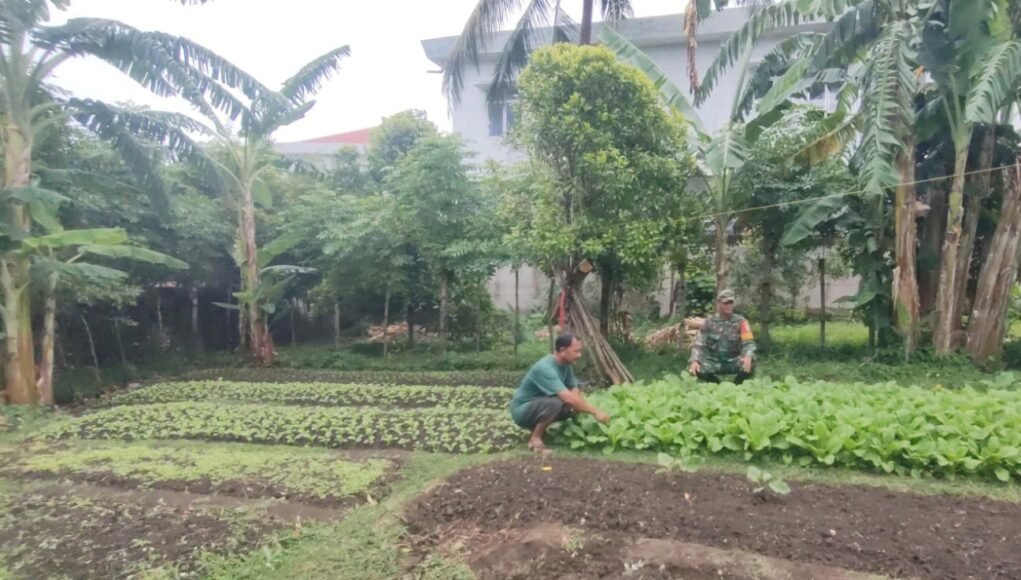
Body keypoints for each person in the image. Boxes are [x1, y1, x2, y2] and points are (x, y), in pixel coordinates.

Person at [510, 333, 611, 454]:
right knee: (556, 403)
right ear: (562, 350)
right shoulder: (545, 368)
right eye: (576, 351)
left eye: (580, 351)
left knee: (573, 404)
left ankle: (538, 431)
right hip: (522, 410)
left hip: (539, 404)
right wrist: (595, 412)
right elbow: (567, 397)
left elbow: (573, 387)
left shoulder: (566, 365)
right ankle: (535, 438)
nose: (579, 355)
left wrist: (578, 405)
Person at [687, 289, 757, 384]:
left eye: (730, 303)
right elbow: (699, 344)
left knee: (751, 362)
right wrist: (695, 360)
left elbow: (749, 343)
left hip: (733, 361)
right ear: (718, 303)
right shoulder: (709, 322)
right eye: (725, 303)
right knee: (694, 367)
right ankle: (714, 383)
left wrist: (748, 356)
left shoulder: (741, 321)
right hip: (713, 361)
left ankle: (738, 385)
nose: (728, 305)